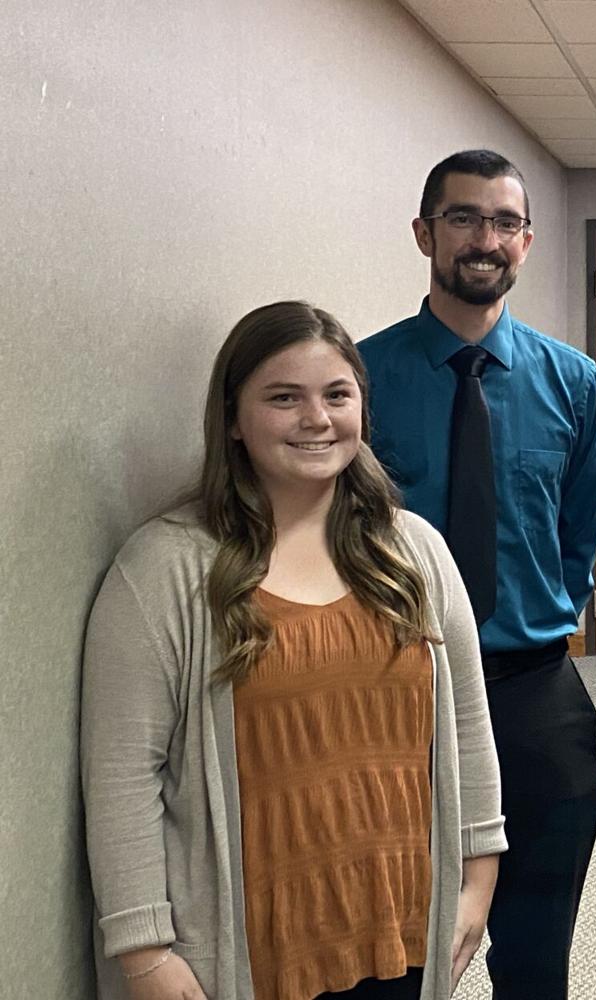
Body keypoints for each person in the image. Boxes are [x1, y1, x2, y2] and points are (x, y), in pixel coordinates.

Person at [81, 301, 505, 1000]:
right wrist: (143, 949)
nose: (317, 419)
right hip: (248, 952)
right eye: (284, 398)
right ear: (232, 420)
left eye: (337, 395)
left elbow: (465, 723)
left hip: (400, 926)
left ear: (362, 411)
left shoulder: (413, 551)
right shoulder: (164, 570)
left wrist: (478, 876)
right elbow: (124, 775)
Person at [358, 149, 596, 1000]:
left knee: (536, 952)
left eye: (504, 223)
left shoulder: (573, 383)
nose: (484, 239)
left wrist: (550, 612)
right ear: (426, 233)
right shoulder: (360, 380)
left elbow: (580, 532)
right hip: (398, 690)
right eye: (464, 218)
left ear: (527, 242)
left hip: (534, 694)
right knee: (400, 946)